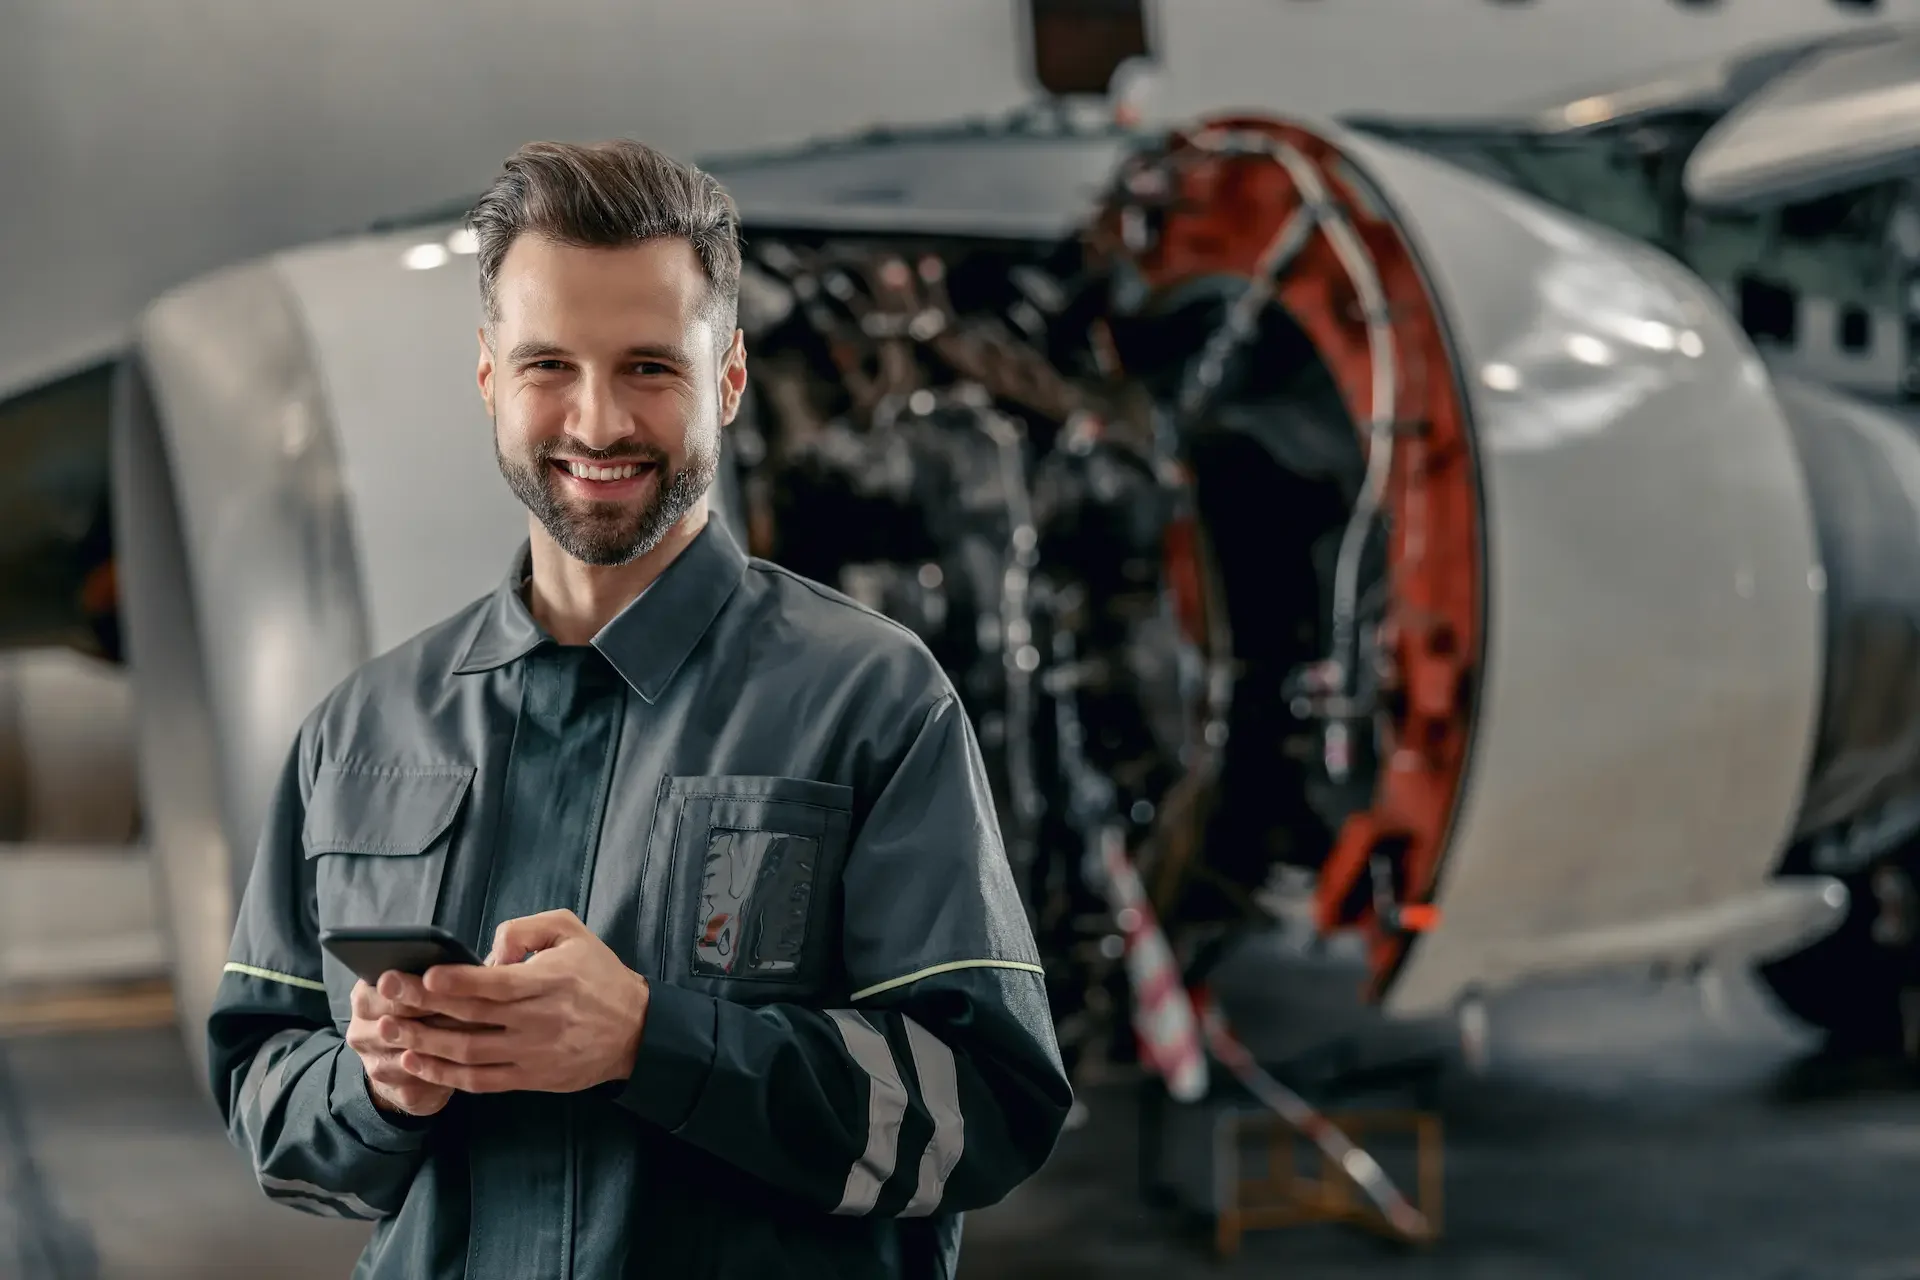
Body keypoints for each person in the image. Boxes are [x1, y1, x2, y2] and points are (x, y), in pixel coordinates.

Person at [207, 137, 1073, 1279]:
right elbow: (272, 1114)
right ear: (487, 376)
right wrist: (376, 1084)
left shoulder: (870, 700)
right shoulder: (363, 732)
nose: (598, 420)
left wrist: (650, 1041)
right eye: (548, 365)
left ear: (728, 379)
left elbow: (982, 1116)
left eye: (650, 368)